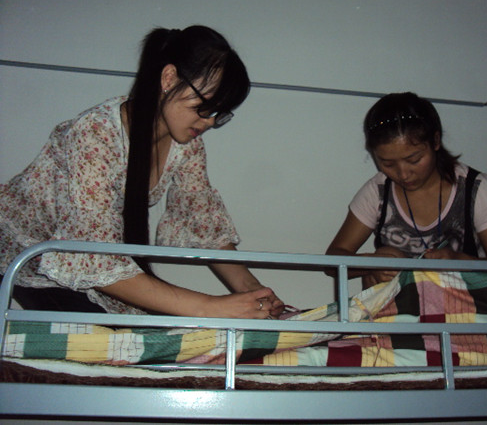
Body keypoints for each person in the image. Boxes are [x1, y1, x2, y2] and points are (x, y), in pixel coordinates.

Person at [0, 25, 284, 319]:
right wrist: (212, 307)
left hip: (70, 263)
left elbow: (205, 227)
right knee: (118, 333)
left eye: (218, 113)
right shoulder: (96, 134)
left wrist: (254, 292)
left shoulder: (186, 146)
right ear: (169, 78)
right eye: (205, 107)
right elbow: (94, 261)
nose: (210, 122)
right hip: (20, 255)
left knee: (148, 326)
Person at [325, 92, 487, 289]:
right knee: (387, 258)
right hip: (402, 304)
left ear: (436, 141)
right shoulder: (378, 191)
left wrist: (461, 262)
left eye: (414, 160)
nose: (403, 174)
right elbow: (333, 262)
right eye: (387, 164)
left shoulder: (476, 188)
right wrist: (372, 264)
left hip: (465, 299)